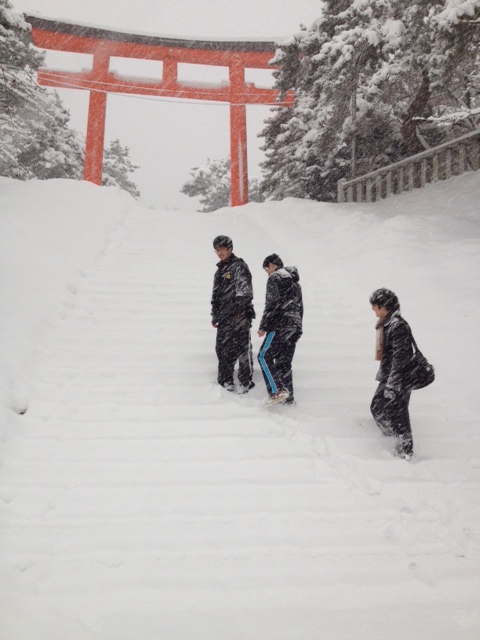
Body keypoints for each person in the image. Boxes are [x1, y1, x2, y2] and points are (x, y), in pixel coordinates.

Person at [369, 288, 416, 460]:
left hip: (399, 378)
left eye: (375, 306)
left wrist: (393, 384)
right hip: (391, 376)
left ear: (385, 306)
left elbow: (400, 358)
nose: (373, 309)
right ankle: (393, 440)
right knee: (378, 407)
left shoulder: (397, 326)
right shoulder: (388, 323)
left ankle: (405, 451)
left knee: (398, 413)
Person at [211, 235, 255, 393]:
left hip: (239, 316)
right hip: (224, 317)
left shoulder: (239, 266)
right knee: (222, 348)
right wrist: (215, 314)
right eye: (217, 250)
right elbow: (215, 295)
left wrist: (240, 313)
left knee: (242, 349)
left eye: (222, 249)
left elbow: (245, 293)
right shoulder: (219, 270)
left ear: (230, 249)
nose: (219, 252)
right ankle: (225, 380)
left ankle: (246, 381)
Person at [257, 254, 303, 404]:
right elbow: (300, 307)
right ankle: (288, 399)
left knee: (263, 356)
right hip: (294, 326)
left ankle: (277, 391)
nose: (268, 274)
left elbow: (272, 303)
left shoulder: (275, 277)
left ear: (271, 265)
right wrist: (297, 326)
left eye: (266, 270)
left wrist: (264, 326)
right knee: (284, 363)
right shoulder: (295, 283)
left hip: (280, 324)